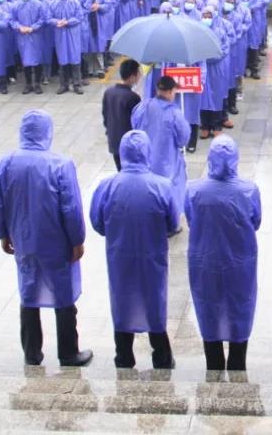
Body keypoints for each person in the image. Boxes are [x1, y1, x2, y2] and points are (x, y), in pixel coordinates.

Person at [0, 110, 92, 367]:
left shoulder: (5, 164)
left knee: (28, 292)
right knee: (63, 295)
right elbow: (70, 207)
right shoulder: (60, 164)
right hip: (56, 240)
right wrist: (77, 239)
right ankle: (68, 352)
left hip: (23, 239)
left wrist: (2, 233)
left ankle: (32, 353)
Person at [89, 130, 178, 369]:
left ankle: (124, 355)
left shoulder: (107, 186)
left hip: (120, 255)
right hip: (152, 255)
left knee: (122, 300)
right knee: (154, 301)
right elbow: (173, 224)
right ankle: (161, 355)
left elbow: (97, 222)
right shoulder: (162, 186)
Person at [184, 135, 262, 371]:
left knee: (208, 307)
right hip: (240, 263)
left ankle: (214, 364)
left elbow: (190, 219)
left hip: (204, 260)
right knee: (240, 307)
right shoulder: (248, 190)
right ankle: (238, 364)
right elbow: (255, 221)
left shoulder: (193, 190)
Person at [131, 75, 190, 219]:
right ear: (170, 92)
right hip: (167, 163)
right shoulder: (174, 113)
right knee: (170, 193)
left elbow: (134, 124)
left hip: (144, 161)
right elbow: (183, 139)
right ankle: (170, 223)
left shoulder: (143, 106)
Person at [102, 59, 142, 171]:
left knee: (120, 170)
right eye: (138, 73)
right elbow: (137, 122)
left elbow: (105, 116)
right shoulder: (133, 97)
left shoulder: (109, 92)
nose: (140, 76)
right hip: (129, 144)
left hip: (114, 141)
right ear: (132, 76)